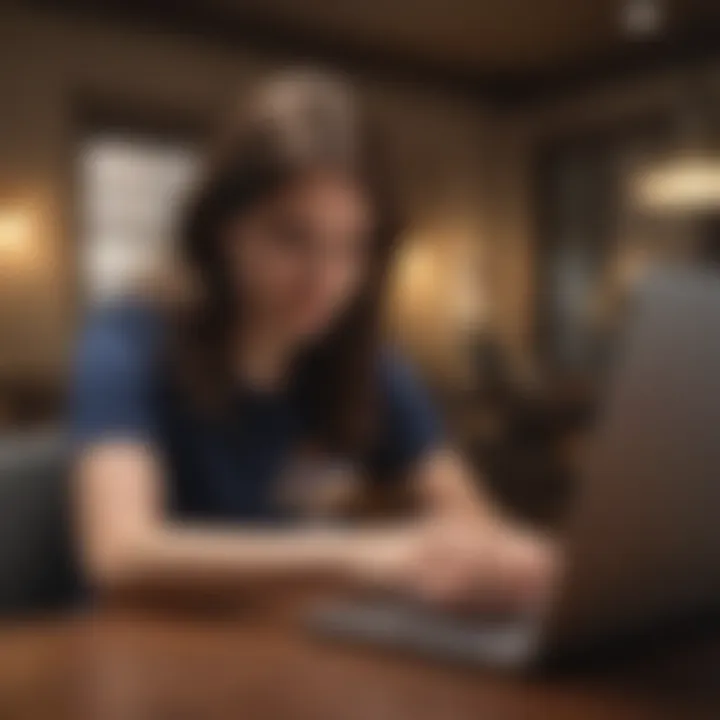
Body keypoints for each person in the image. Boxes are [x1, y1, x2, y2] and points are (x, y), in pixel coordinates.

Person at [71, 71, 556, 611]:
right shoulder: (128, 337)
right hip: (143, 651)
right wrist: (356, 555)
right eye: (291, 238)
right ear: (221, 230)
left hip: (283, 646)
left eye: (351, 246)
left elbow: (470, 517)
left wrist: (522, 561)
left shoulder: (365, 360)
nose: (326, 281)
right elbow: (119, 553)